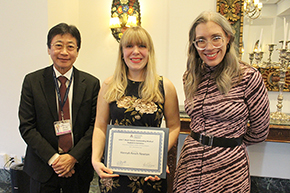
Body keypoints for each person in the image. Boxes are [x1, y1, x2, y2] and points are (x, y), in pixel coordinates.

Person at [173, 11, 270, 193]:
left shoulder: (248, 76)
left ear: (228, 38)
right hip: (191, 164)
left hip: (229, 168)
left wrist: (229, 143)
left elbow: (260, 131)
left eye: (216, 38)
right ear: (194, 44)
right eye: (201, 40)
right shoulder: (190, 77)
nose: (209, 47)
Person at [91, 26, 180, 193]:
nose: (136, 52)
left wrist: (158, 156)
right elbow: (100, 126)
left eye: (142, 46)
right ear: (122, 52)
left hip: (150, 173)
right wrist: (95, 159)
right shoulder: (109, 85)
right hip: (115, 173)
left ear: (150, 51)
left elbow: (174, 126)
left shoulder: (165, 86)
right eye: (129, 46)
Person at [18, 23, 100, 193]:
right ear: (49, 49)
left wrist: (72, 158)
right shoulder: (32, 82)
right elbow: (27, 126)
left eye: (70, 47)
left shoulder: (91, 84)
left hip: (78, 170)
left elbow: (95, 126)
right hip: (43, 168)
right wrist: (55, 159)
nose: (64, 52)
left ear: (77, 51)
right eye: (58, 45)